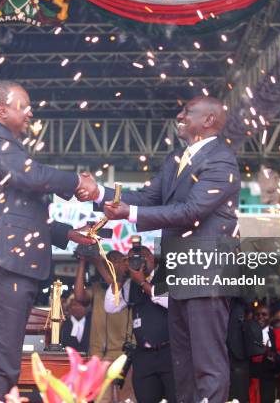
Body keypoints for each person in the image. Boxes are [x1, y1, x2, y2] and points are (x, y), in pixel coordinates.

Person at [79, 96, 241, 402]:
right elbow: (148, 197)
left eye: (187, 112)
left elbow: (191, 210)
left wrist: (129, 213)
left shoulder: (221, 159)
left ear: (208, 120)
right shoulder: (176, 159)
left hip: (207, 272)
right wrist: (99, 192)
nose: (179, 115)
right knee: (182, 364)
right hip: (179, 272)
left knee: (207, 362)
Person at [0, 80, 98, 400]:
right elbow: (30, 176)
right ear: (1, 109)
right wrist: (75, 181)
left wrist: (65, 233)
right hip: (0, 263)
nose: (31, 111)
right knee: (2, 360)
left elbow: (18, 209)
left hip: (8, 261)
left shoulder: (2, 142)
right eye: (24, 105)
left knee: (3, 357)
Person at [104, 242, 177, 403]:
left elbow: (171, 302)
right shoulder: (130, 284)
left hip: (169, 352)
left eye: (140, 259)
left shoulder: (166, 275)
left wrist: (143, 282)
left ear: (151, 258)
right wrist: (121, 278)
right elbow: (110, 306)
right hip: (143, 356)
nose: (137, 263)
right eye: (131, 261)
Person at [73, 250, 135, 402]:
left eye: (119, 260)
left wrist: (97, 262)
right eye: (110, 261)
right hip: (99, 355)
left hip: (126, 355)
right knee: (102, 399)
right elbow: (79, 296)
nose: (113, 264)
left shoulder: (130, 287)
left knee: (127, 399)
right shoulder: (97, 288)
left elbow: (114, 285)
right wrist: (83, 262)